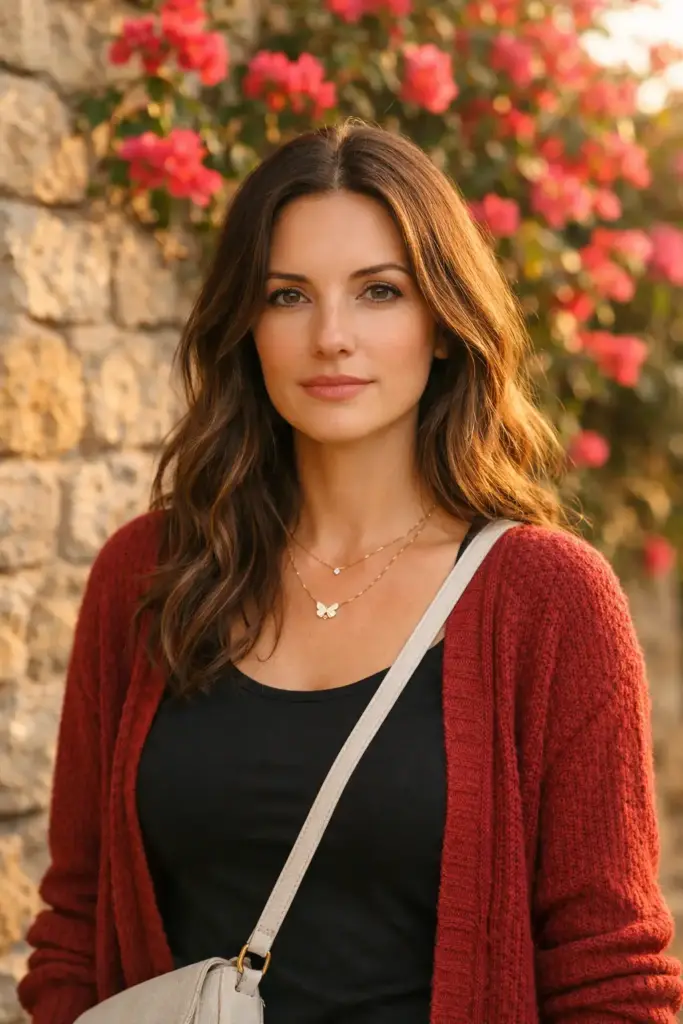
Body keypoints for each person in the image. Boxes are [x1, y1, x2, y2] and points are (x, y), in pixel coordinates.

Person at [18, 120, 683, 1024]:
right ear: (245, 326)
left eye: (378, 291)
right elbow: (75, 927)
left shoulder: (549, 599)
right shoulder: (148, 575)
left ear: (443, 325)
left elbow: (611, 976)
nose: (331, 336)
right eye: (287, 296)